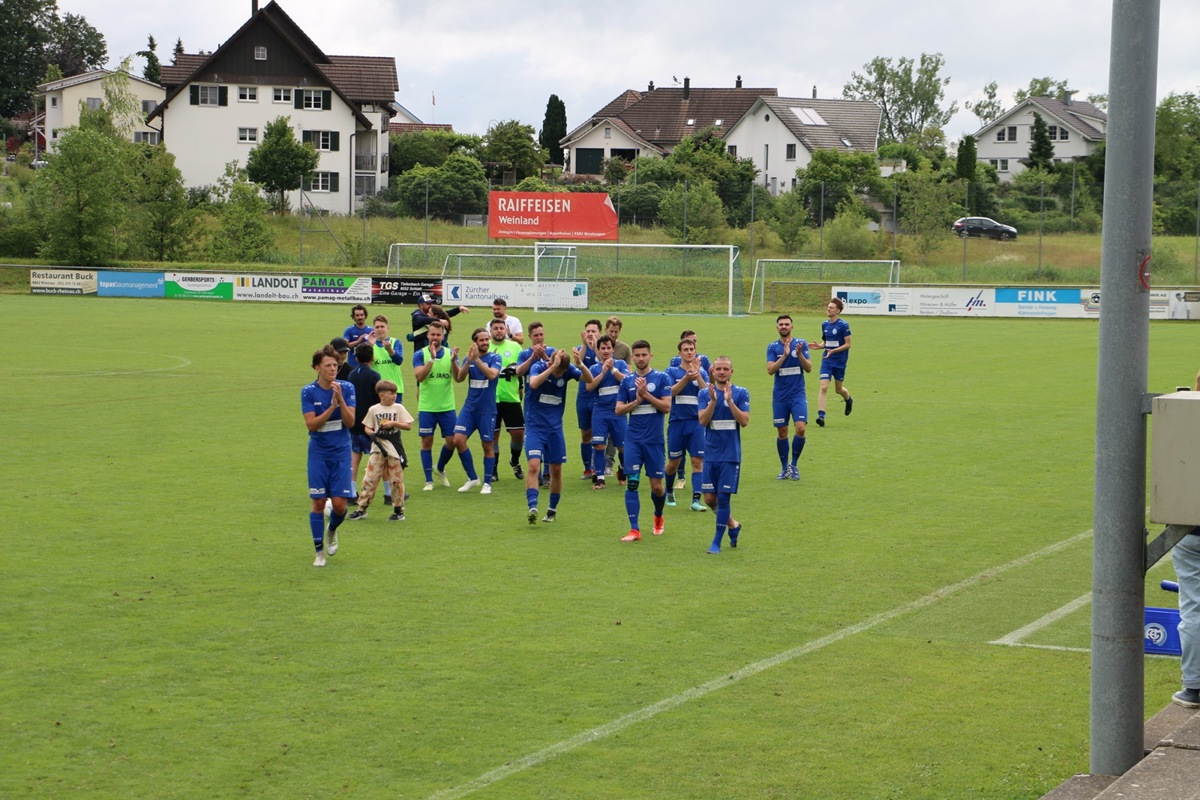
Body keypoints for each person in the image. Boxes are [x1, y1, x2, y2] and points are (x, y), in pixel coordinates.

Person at [301, 345, 356, 567]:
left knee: (341, 506)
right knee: (318, 502)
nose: (333, 368)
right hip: (319, 454)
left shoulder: (347, 387)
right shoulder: (308, 391)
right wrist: (329, 407)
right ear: (317, 368)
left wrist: (340, 401)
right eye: (328, 365)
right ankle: (319, 553)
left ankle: (331, 529)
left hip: (342, 453)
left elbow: (351, 422)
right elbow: (311, 425)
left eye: (335, 364)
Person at [614, 340, 672, 542]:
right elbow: (619, 410)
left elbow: (666, 407)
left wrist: (646, 394)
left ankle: (658, 516)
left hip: (654, 441)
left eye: (643, 355)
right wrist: (636, 402)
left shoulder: (662, 378)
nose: (640, 358)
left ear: (650, 356)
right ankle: (634, 529)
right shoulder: (627, 381)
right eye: (636, 355)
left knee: (657, 486)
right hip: (633, 440)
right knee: (632, 483)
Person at [698, 355, 751, 554]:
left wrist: (730, 402)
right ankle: (733, 525)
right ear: (712, 371)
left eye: (725, 369)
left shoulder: (741, 393)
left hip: (730, 455)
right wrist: (713, 401)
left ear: (731, 372)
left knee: (724, 497)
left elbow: (744, 421)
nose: (721, 372)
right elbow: (703, 421)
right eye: (718, 368)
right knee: (710, 499)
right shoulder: (705, 393)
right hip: (710, 454)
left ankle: (716, 542)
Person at [524, 347, 582, 524]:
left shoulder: (568, 370)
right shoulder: (539, 367)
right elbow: (533, 384)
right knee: (534, 466)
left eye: (560, 372)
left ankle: (551, 510)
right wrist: (551, 368)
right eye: (557, 371)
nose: (558, 375)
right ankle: (532, 506)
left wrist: (580, 364)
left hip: (555, 430)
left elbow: (589, 380)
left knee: (556, 470)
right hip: (535, 427)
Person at [348, 380, 413, 522]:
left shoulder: (399, 408)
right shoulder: (374, 410)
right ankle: (361, 509)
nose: (394, 396)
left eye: (395, 393)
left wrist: (394, 423)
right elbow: (367, 426)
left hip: (394, 450)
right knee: (370, 478)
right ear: (381, 395)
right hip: (377, 449)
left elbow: (408, 425)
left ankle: (398, 511)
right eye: (391, 393)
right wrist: (371, 433)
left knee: (396, 481)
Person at [451, 326, 502, 494]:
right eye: (482, 340)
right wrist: (459, 361)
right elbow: (459, 378)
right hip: (469, 408)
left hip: (487, 411)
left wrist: (477, 360)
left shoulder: (495, 357)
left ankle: (487, 483)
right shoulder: (470, 358)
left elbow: (492, 375)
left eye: (487, 339)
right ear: (475, 342)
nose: (485, 342)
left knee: (487, 445)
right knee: (458, 440)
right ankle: (473, 478)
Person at [412, 320, 458, 491]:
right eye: (432, 334)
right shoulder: (420, 354)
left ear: (443, 336)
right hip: (427, 407)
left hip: (447, 407)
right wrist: (431, 359)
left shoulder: (450, 353)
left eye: (439, 334)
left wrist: (454, 362)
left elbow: (458, 378)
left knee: (452, 441)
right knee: (427, 442)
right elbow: (420, 377)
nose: (435, 337)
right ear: (428, 335)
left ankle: (439, 467)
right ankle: (428, 480)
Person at [665, 337, 709, 512]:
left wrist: (697, 376)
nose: (689, 352)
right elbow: (670, 393)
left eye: (692, 349)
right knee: (673, 463)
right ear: (680, 353)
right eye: (686, 349)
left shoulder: (702, 372)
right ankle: (669, 491)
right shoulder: (671, 372)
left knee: (697, 461)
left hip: (696, 424)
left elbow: (707, 393)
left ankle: (696, 500)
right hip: (677, 423)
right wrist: (686, 378)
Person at [767, 314, 811, 481]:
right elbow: (770, 370)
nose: (784, 326)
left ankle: (794, 464)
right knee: (782, 432)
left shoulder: (801, 344)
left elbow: (809, 368)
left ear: (792, 327)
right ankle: (784, 468)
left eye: (787, 324)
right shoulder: (772, 347)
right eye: (781, 324)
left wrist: (799, 355)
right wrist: (784, 356)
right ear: (777, 327)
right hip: (780, 397)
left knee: (800, 428)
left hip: (797, 395)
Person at [584, 335, 629, 490]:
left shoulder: (621, 364)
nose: (605, 351)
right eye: (602, 348)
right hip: (600, 412)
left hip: (618, 412)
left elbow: (627, 380)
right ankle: (600, 479)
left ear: (612, 349)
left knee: (622, 447)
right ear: (599, 349)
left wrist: (613, 370)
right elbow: (589, 387)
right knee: (599, 446)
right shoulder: (594, 369)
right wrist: (603, 373)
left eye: (608, 347)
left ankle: (622, 471)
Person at [517, 321, 556, 489]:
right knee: (534, 437)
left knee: (549, 436)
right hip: (532, 403)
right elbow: (519, 372)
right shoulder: (525, 353)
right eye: (536, 335)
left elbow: (558, 369)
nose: (539, 338)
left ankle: (547, 473)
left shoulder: (552, 351)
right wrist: (534, 357)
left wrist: (546, 358)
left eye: (541, 334)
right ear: (530, 337)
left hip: (549, 402)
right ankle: (537, 473)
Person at [489, 317, 525, 482]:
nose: (498, 331)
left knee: (518, 434)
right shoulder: (485, 347)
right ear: (490, 331)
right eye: (495, 328)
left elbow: (522, 368)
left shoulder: (515, 347)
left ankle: (515, 461)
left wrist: (521, 386)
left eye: (501, 328)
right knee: (492, 437)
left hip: (511, 398)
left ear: (506, 330)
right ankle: (494, 470)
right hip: (491, 400)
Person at [346, 343, 382, 501]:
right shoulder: (375, 376)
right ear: (372, 357)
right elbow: (377, 398)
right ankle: (388, 492)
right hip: (370, 424)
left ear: (356, 358)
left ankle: (351, 491)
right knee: (380, 457)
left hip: (355, 421)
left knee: (355, 455)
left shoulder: (352, 374)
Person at [811, 297, 853, 427]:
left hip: (840, 361)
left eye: (831, 307)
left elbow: (848, 344)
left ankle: (848, 400)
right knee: (824, 387)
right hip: (827, 360)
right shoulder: (825, 324)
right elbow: (827, 343)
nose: (828, 309)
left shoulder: (843, 325)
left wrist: (833, 351)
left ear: (838, 311)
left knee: (839, 389)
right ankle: (821, 416)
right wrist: (820, 346)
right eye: (828, 306)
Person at [572, 319, 603, 480]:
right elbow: (577, 365)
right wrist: (584, 345)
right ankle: (587, 469)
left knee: (598, 434)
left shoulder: (603, 349)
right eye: (588, 331)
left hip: (598, 397)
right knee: (585, 434)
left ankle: (599, 469)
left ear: (600, 333)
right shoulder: (580, 349)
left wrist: (596, 347)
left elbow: (603, 361)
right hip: (583, 397)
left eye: (594, 331)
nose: (590, 334)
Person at [370, 314, 405, 403]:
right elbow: (367, 364)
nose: (380, 329)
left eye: (382, 326)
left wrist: (390, 350)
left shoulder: (395, 342)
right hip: (378, 390)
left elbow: (399, 361)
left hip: (394, 389)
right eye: (377, 327)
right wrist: (371, 346)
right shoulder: (370, 346)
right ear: (374, 329)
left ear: (387, 328)